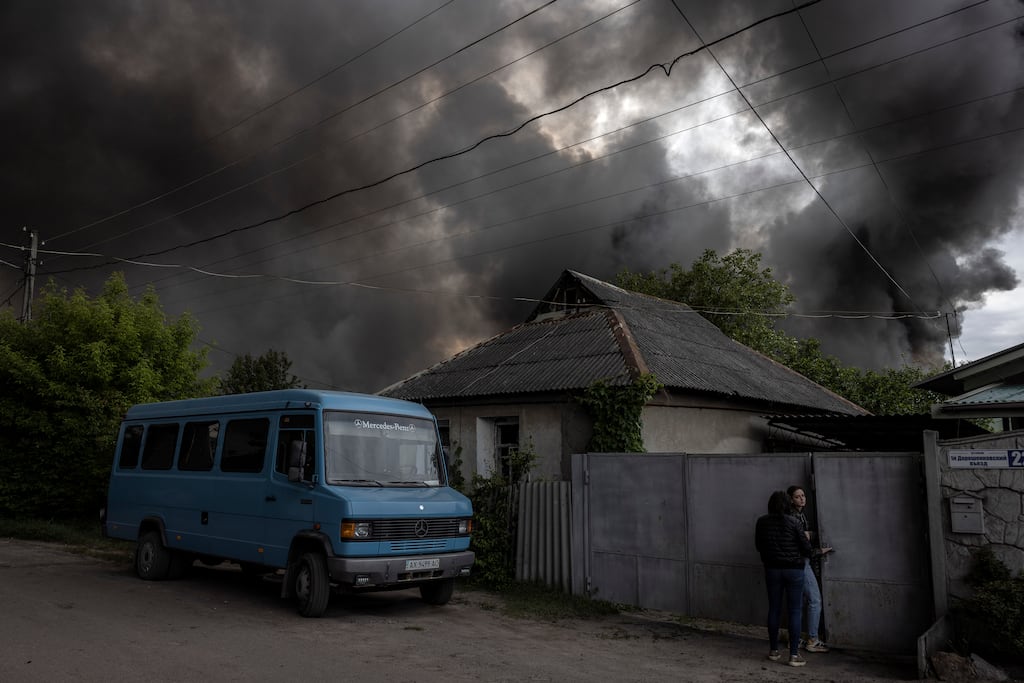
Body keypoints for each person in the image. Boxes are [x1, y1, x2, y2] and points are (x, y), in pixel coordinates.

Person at [755, 490, 813, 667]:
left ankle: (774, 651)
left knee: (774, 609)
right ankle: (794, 656)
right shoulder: (794, 522)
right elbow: (806, 549)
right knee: (795, 610)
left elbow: (758, 546)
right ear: (788, 504)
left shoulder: (761, 522)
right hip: (794, 570)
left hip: (772, 570)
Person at [787, 485, 834, 653]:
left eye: (803, 495)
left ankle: (796, 638)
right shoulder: (793, 516)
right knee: (815, 599)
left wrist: (809, 535)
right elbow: (800, 542)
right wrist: (817, 546)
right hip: (801, 562)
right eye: (798, 496)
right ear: (791, 499)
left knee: (798, 603)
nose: (802, 498)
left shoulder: (799, 515)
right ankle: (813, 639)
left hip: (798, 562)